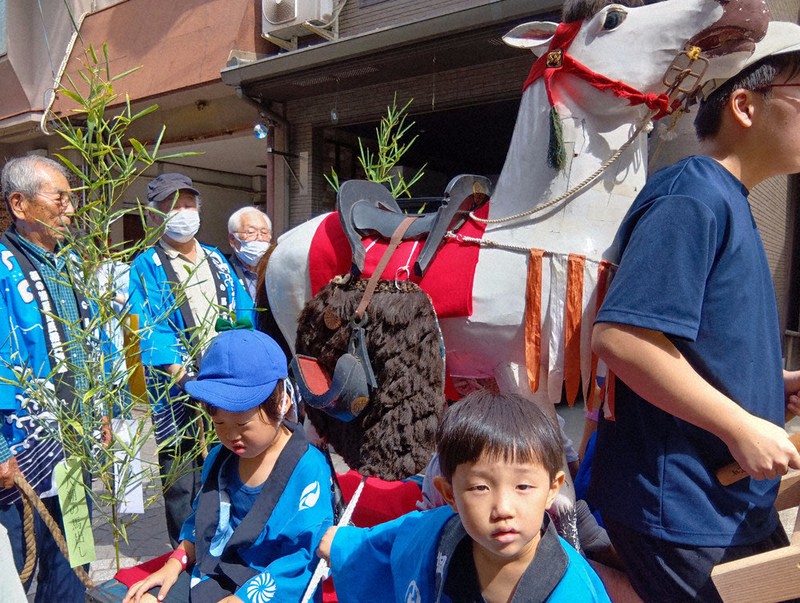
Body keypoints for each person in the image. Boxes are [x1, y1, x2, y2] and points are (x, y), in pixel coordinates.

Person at [589, 22, 800, 603]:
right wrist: (739, 425)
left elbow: (697, 346)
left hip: (723, 504)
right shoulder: (694, 193)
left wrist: (768, 387)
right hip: (684, 505)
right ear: (744, 105)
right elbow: (623, 337)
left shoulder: (727, 200)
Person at [318, 390, 611, 602]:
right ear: (449, 494)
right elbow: (392, 540)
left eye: (523, 486)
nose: (503, 508)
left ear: (552, 489)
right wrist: (344, 545)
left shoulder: (572, 591)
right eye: (480, 487)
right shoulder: (441, 531)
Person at [122, 327, 335, 603]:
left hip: (276, 588)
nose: (231, 436)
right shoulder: (220, 459)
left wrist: (245, 599)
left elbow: (305, 555)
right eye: (219, 423)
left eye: (243, 424)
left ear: (280, 402)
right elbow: (201, 524)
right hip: (217, 571)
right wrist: (173, 564)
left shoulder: (308, 468)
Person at [127, 172, 254, 547]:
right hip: (177, 388)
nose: (184, 213)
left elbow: (243, 311)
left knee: (227, 463)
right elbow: (148, 330)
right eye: (173, 207)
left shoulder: (216, 259)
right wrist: (185, 379)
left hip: (222, 382)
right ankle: (186, 550)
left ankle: (225, 542)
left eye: (188, 205)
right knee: (182, 476)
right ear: (155, 216)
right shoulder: (146, 266)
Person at [0, 155, 104, 600]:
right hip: (18, 457)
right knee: (19, 569)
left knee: (73, 557)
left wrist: (102, 409)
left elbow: (97, 346)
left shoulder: (72, 266)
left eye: (71, 198)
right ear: (20, 204)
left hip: (72, 444)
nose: (71, 208)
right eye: (60, 198)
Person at [226, 206, 272, 300]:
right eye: (251, 232)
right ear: (232, 239)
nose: (259, 238)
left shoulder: (275, 271)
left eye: (264, 232)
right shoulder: (225, 272)